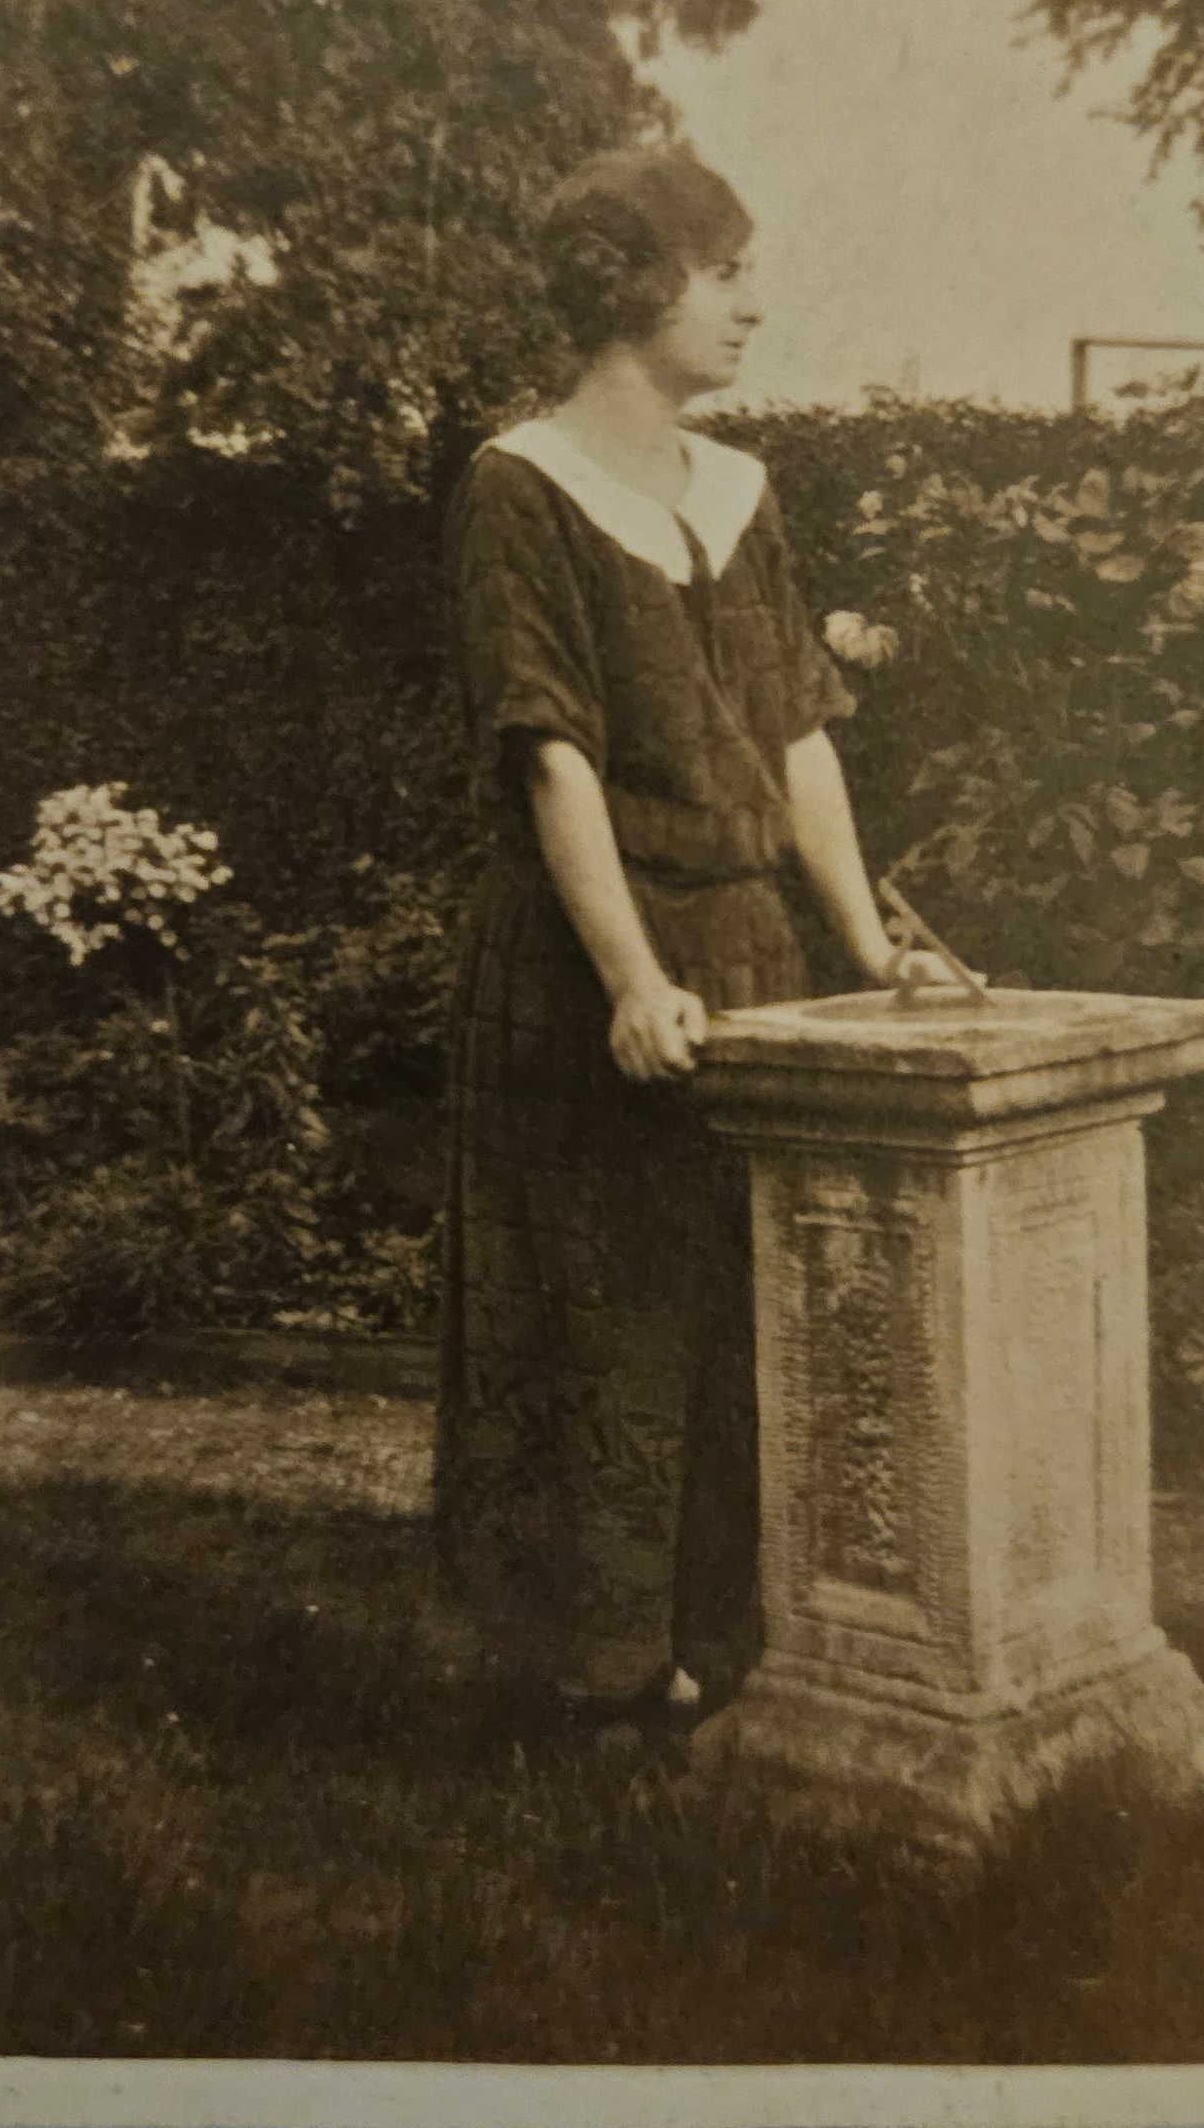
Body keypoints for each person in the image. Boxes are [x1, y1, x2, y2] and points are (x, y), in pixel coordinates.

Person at [433, 142, 937, 1739]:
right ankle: (595, 1666)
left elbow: (796, 737)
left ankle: (735, 1643)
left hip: (752, 960)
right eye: (726, 274)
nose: (753, 305)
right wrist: (632, 979)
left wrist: (869, 947)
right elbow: (550, 753)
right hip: (598, 964)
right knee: (606, 1310)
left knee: (744, 1314)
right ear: (633, 287)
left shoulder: (742, 494)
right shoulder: (518, 487)